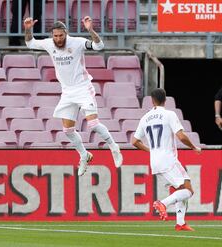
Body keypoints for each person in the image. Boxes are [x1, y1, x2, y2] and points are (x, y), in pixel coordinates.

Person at [24, 16, 123, 176]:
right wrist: (28, 29)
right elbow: (29, 43)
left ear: (66, 33)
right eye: (55, 36)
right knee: (68, 130)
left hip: (83, 88)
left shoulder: (76, 42)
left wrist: (90, 30)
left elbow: (99, 46)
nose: (58, 39)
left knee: (93, 124)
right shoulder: (49, 44)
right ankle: (85, 155)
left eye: (60, 36)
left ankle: (113, 146)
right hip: (67, 92)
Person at [132, 88, 201, 231]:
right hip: (168, 159)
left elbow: (135, 141)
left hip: (155, 161)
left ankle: (180, 223)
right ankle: (162, 203)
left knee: (180, 189)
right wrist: (194, 147)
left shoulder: (145, 118)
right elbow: (181, 136)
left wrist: (151, 151)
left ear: (152, 100)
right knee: (188, 190)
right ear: (166, 100)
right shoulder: (169, 114)